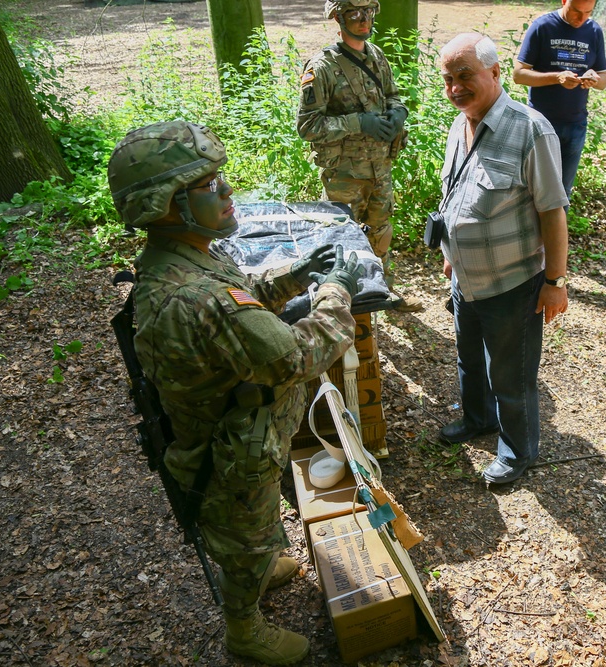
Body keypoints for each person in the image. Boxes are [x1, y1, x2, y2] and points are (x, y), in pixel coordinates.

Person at [107, 121, 363, 666]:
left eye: (219, 178)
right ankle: (244, 629)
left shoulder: (182, 256)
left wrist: (296, 275)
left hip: (239, 432)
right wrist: (338, 290)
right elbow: (297, 355)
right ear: (166, 205)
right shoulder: (198, 297)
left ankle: (264, 559)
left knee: (256, 516)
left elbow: (242, 298)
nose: (226, 192)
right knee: (242, 538)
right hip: (230, 449)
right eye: (209, 186)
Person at [437, 33, 569, 485]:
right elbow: (457, 197)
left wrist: (555, 280)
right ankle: (478, 419)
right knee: (470, 360)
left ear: (495, 73)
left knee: (511, 376)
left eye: (465, 75)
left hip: (512, 283)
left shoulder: (530, 129)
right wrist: (451, 254)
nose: (455, 87)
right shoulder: (460, 123)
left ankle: (517, 454)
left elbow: (552, 211)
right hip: (466, 278)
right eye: (448, 79)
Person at [297, 0, 423, 312]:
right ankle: (342, 305)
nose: (364, 20)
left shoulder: (376, 55)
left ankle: (382, 291)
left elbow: (392, 95)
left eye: (369, 13)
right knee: (343, 239)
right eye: (355, 14)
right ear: (338, 18)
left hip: (379, 167)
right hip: (344, 174)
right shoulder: (322, 67)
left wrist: (397, 113)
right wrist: (359, 123)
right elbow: (307, 126)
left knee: (380, 231)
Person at [513, 0, 606, 199]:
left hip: (575, 125)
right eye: (576, 11)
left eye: (588, 12)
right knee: (533, 189)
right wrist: (556, 77)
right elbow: (519, 74)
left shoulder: (593, 31)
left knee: (563, 192)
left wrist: (594, 78)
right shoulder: (543, 26)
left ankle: (557, 231)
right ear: (564, 1)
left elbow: (604, 80)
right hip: (541, 124)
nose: (581, 18)